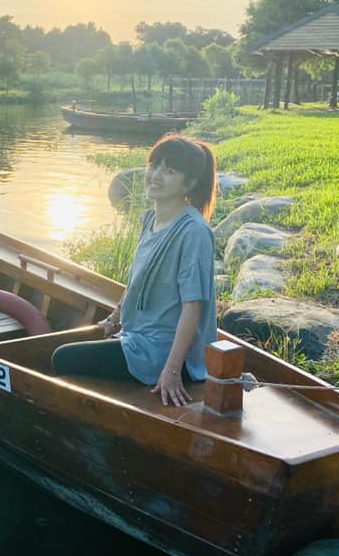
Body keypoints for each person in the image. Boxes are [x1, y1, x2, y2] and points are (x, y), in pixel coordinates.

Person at [52, 134, 217, 407]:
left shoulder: (193, 232)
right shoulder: (151, 219)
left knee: (62, 358)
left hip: (162, 350)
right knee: (69, 352)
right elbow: (136, 282)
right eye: (154, 166)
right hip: (136, 337)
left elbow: (193, 306)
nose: (155, 175)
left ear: (189, 183)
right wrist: (113, 318)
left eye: (169, 171)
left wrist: (173, 370)